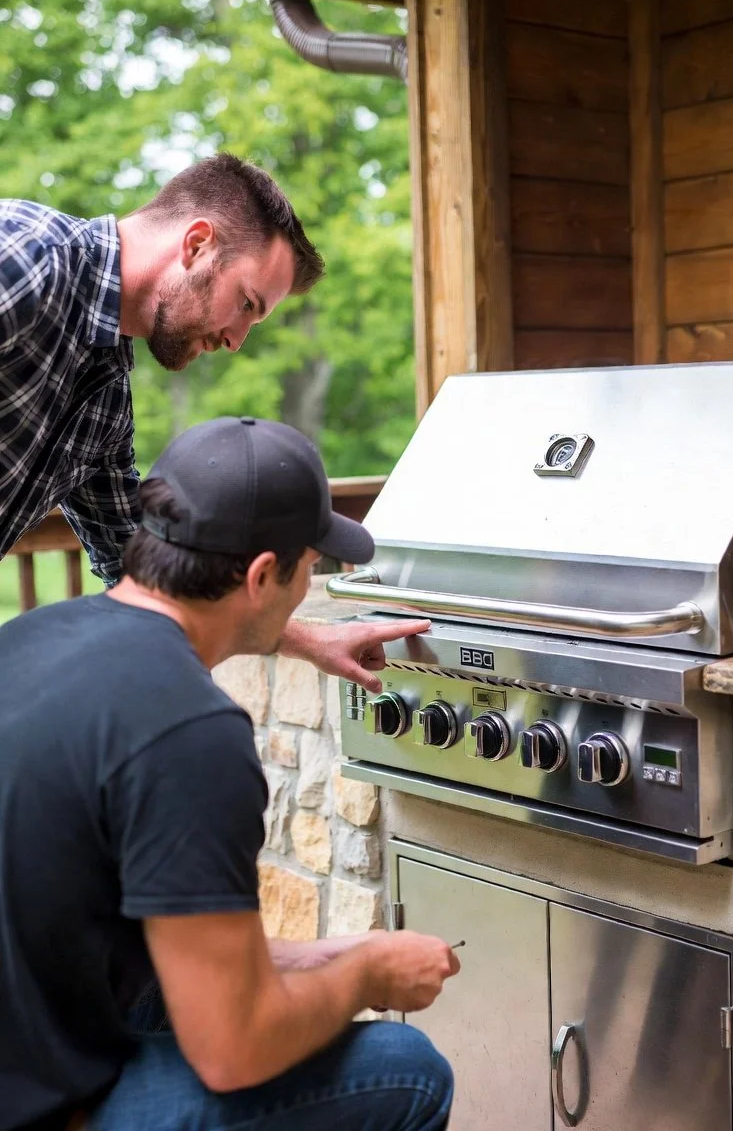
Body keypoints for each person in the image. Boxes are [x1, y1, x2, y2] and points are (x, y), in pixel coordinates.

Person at [0, 415, 459, 1131]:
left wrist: (343, 951)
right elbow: (233, 1052)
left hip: (26, 1033)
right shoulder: (192, 734)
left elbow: (185, 955)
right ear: (259, 576)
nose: (311, 584)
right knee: (408, 1069)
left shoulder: (35, 635)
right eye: (310, 567)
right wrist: (368, 977)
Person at [0, 152, 324, 585]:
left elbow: (142, 576)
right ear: (196, 245)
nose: (236, 341)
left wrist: (305, 638)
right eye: (246, 302)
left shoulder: (105, 398)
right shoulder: (27, 259)